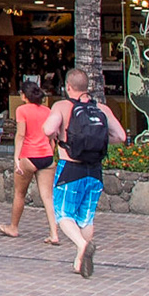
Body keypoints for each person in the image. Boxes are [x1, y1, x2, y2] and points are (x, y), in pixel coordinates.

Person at [44, 66, 126, 277]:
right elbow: (121, 137)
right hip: (94, 170)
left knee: (63, 214)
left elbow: (48, 129)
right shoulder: (103, 109)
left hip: (70, 167)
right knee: (86, 218)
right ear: (87, 86)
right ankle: (79, 262)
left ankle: (81, 245)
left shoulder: (62, 106)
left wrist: (59, 138)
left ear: (68, 86)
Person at [1, 79, 59, 244]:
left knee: (19, 193)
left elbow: (21, 135)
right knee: (48, 197)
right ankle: (54, 233)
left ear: (24, 95)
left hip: (29, 155)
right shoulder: (47, 111)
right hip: (46, 156)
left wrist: (16, 158)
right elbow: (52, 137)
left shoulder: (22, 110)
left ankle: (13, 227)